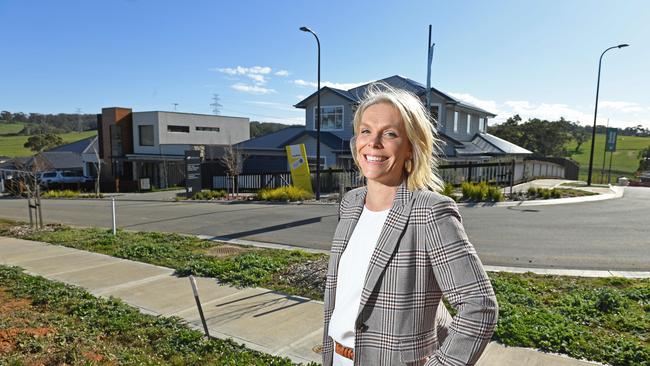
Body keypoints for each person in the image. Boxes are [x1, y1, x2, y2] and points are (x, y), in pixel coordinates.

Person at [322, 84, 498, 366]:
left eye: (390, 134)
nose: (373, 142)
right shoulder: (351, 203)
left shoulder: (430, 211)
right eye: (366, 131)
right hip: (338, 357)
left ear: (411, 148)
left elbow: (479, 305)